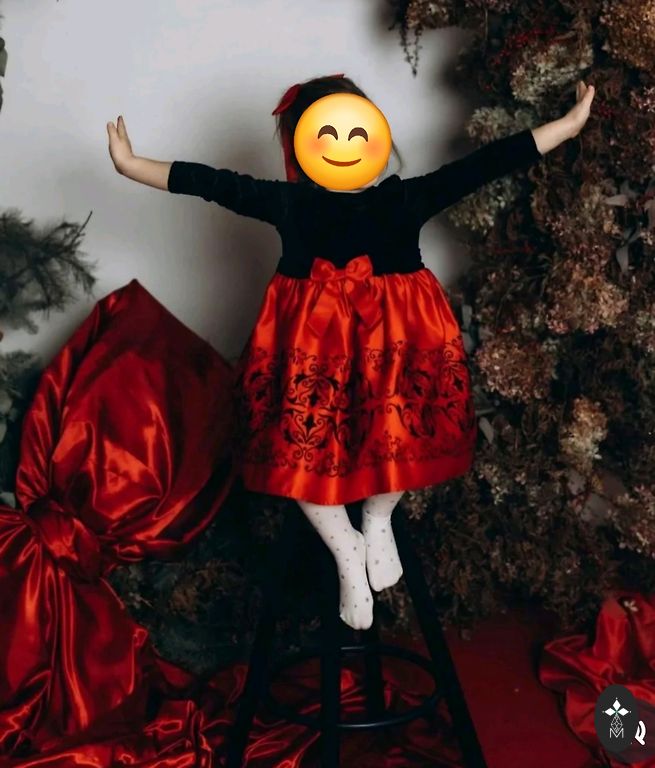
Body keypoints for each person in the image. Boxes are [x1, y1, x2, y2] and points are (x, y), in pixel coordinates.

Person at [107, 75, 594, 630]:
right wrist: (131, 164)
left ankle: (379, 518)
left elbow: (485, 164)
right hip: (312, 358)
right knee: (296, 454)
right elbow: (210, 182)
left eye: (355, 131)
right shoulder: (288, 202)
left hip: (394, 354)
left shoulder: (404, 198)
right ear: (302, 145)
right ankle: (345, 548)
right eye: (326, 134)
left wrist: (568, 125)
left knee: (401, 435)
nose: (343, 144)